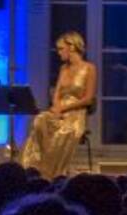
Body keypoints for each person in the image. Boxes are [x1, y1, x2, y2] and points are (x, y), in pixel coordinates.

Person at [21, 31, 95, 178]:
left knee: (64, 131)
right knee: (40, 120)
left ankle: (52, 174)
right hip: (59, 109)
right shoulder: (63, 68)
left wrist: (64, 108)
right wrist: (56, 107)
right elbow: (57, 92)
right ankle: (32, 170)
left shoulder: (89, 68)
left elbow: (88, 99)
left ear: (72, 47)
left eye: (61, 49)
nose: (58, 52)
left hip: (76, 112)